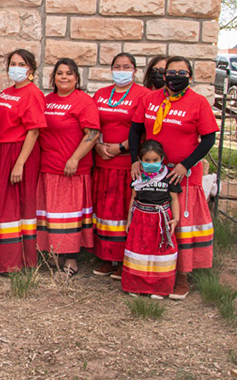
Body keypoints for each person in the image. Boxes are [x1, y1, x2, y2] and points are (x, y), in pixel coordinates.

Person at [129, 56, 218, 300]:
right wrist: (135, 160)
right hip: (151, 173)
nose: (175, 76)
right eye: (171, 72)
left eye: (181, 72)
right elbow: (136, 129)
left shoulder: (198, 103)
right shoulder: (149, 99)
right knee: (152, 223)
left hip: (183, 176)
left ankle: (182, 277)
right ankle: (153, 274)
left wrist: (184, 165)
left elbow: (209, 138)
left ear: (190, 76)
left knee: (179, 225)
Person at [0, 49, 46, 273]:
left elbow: (33, 132)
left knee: (13, 205)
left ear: (31, 70)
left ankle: (14, 261)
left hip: (17, 152)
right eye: (13, 63)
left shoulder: (33, 94)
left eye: (21, 64)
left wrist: (19, 164)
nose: (16, 68)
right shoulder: (8, 92)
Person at [36, 58, 100, 278]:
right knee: (52, 215)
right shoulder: (47, 100)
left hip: (72, 170)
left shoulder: (83, 101)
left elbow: (92, 134)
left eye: (69, 73)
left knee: (69, 216)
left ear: (77, 78)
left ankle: (71, 260)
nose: (64, 77)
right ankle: (55, 255)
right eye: (60, 73)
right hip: (48, 168)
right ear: (53, 77)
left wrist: (74, 158)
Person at [91, 53, 149, 279]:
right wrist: (96, 146)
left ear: (134, 71)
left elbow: (144, 129)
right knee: (104, 212)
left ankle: (124, 259)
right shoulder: (101, 94)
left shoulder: (143, 95)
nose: (121, 70)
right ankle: (106, 257)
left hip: (127, 164)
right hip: (103, 162)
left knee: (124, 212)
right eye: (117, 66)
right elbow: (91, 123)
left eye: (126, 67)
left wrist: (122, 148)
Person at [122, 139, 181, 299]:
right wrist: (129, 220)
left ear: (161, 158)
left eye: (155, 160)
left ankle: (159, 288)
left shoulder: (168, 176)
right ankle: (136, 285)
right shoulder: (138, 177)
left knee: (159, 254)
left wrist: (176, 219)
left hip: (161, 221)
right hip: (140, 219)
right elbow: (133, 199)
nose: (151, 163)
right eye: (147, 160)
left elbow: (174, 199)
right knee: (139, 252)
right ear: (140, 160)